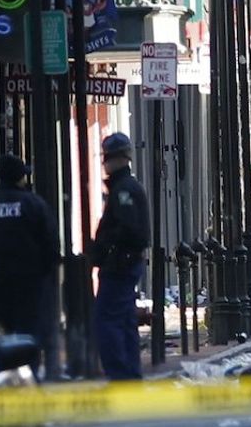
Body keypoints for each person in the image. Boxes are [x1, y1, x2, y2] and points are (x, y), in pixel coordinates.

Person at [0, 154, 58, 371]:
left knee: (0, 335)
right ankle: (30, 375)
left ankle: (4, 376)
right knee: (28, 334)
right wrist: (44, 271)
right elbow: (51, 243)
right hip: (30, 283)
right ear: (21, 177)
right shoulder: (34, 205)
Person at [89, 133, 150, 381]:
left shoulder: (124, 190)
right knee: (124, 320)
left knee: (107, 319)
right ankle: (129, 373)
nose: (105, 163)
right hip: (124, 262)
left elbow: (128, 229)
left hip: (120, 264)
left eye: (108, 158)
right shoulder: (124, 188)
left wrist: (105, 246)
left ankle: (120, 373)